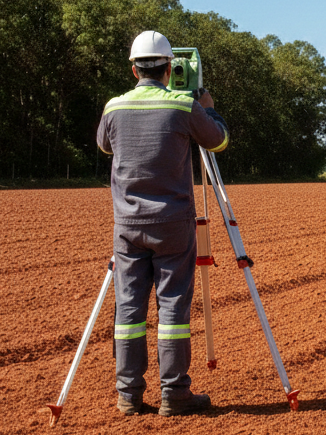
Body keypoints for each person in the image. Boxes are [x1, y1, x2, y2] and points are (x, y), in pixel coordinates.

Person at [96, 30, 229, 417]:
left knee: (129, 309)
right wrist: (206, 107)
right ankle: (175, 393)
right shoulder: (183, 106)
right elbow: (217, 141)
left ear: (133, 69)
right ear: (170, 66)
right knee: (172, 307)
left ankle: (128, 394)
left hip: (127, 225)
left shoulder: (114, 107)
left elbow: (106, 145)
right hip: (172, 223)